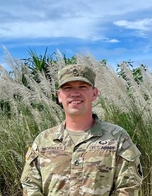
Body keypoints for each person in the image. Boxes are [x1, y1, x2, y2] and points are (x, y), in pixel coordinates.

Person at [20, 64, 143, 196]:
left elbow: (129, 187)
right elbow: (30, 185)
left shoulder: (117, 138)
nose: (75, 93)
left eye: (82, 87)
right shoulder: (43, 140)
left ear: (94, 93)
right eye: (68, 88)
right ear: (59, 96)